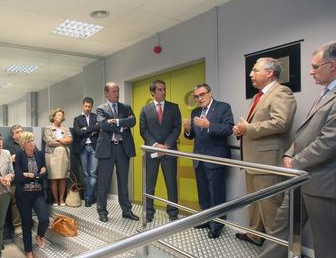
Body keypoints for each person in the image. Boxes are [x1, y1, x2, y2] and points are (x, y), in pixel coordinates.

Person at [237, 41, 336, 258]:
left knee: (328, 238)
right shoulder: (327, 92)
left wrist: (295, 161)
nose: (311, 72)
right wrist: (290, 153)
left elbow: (331, 141)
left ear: (333, 65)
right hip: (302, 175)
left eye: (315, 67)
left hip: (325, 179)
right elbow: (306, 132)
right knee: (284, 223)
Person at [232, 57, 296, 246]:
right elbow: (254, 125)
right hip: (252, 160)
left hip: (267, 160)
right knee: (254, 203)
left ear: (269, 73)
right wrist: (241, 130)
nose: (251, 74)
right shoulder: (257, 96)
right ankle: (255, 235)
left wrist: (248, 128)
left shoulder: (282, 92)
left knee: (270, 207)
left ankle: (275, 250)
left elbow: (281, 123)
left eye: (255, 70)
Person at [183, 84, 234, 238]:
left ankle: (217, 225)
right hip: (199, 159)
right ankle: (205, 219)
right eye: (196, 96)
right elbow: (193, 136)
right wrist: (187, 130)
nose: (199, 98)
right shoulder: (195, 112)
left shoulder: (223, 107)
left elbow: (228, 129)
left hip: (215, 158)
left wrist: (209, 125)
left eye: (202, 94)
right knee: (203, 193)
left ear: (210, 93)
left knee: (216, 194)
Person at [96, 82, 139, 223]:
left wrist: (116, 121)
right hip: (107, 149)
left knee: (123, 181)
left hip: (123, 148)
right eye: (114, 91)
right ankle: (102, 211)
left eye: (118, 91)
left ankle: (126, 211)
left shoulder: (125, 107)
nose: (117, 94)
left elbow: (132, 121)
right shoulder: (101, 109)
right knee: (104, 182)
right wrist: (121, 127)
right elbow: (103, 124)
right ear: (106, 93)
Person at [139, 79, 181, 223]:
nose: (163, 92)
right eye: (160, 89)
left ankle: (173, 212)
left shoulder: (174, 108)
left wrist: (166, 145)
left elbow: (177, 128)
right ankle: (149, 212)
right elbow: (143, 130)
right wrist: (156, 145)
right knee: (149, 185)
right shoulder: (145, 110)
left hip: (169, 151)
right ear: (152, 92)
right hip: (152, 151)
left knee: (171, 184)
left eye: (164, 89)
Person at [14, 131, 49, 258]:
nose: (32, 143)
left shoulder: (39, 154)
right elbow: (19, 176)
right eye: (29, 141)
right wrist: (37, 175)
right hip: (23, 195)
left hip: (37, 193)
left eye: (33, 140)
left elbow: (45, 174)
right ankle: (28, 251)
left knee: (44, 219)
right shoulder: (19, 155)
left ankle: (40, 235)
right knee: (27, 223)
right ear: (23, 144)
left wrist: (31, 175)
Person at [71, 97, 99, 207]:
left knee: (93, 173)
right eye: (86, 106)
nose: (87, 108)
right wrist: (91, 130)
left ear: (92, 107)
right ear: (83, 106)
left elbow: (98, 128)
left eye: (89, 106)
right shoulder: (77, 119)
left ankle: (88, 197)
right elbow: (77, 132)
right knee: (86, 174)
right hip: (83, 148)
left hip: (94, 147)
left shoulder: (96, 117)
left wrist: (85, 130)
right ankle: (90, 196)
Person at [44, 108, 73, 206]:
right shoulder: (48, 128)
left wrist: (59, 140)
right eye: (58, 115)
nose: (60, 117)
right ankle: (55, 200)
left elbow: (70, 140)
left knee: (63, 178)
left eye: (61, 115)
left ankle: (61, 199)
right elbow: (50, 142)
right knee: (53, 178)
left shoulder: (65, 129)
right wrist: (63, 141)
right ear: (53, 117)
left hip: (64, 156)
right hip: (52, 156)